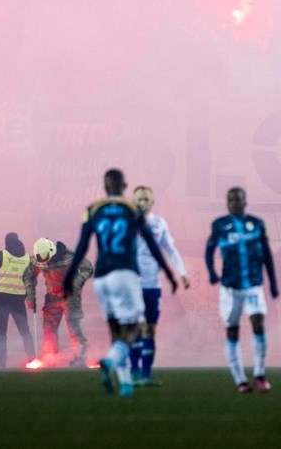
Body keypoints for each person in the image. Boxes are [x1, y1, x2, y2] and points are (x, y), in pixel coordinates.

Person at [64, 169, 176, 398]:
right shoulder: (133, 209)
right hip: (125, 274)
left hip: (102, 277)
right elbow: (153, 245)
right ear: (124, 185)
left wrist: (69, 276)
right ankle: (110, 361)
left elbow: (83, 245)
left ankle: (125, 385)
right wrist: (169, 273)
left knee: (116, 332)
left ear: (105, 186)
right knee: (135, 329)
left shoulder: (93, 209)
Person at [205, 187, 278, 393]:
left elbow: (267, 255)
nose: (234, 203)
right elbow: (209, 250)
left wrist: (273, 282)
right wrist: (211, 272)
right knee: (232, 330)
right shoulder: (219, 225)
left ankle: (260, 375)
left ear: (245, 202)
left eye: (238, 200)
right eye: (231, 200)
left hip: (253, 286)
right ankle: (240, 380)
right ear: (227, 203)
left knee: (258, 323)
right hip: (230, 288)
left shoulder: (257, 224)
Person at [130, 185, 190, 386]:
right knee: (136, 329)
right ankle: (134, 373)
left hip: (153, 286)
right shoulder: (127, 223)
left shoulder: (159, 223)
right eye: (139, 199)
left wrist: (182, 273)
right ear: (133, 201)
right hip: (132, 285)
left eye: (147, 199)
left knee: (150, 330)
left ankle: (145, 375)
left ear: (152, 202)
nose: (143, 203)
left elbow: (170, 249)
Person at [25, 238, 93, 367]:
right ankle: (50, 358)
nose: (45, 263)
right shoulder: (39, 258)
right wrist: (30, 296)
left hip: (71, 296)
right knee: (49, 329)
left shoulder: (70, 257)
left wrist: (76, 283)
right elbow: (28, 275)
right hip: (52, 296)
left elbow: (88, 269)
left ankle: (80, 358)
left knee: (75, 328)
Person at [0, 232, 34, 368]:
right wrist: (24, 295)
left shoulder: (1, 255)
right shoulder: (27, 259)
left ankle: (2, 362)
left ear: (6, 242)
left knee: (1, 332)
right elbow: (32, 281)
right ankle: (32, 358)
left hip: (0, 299)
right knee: (25, 330)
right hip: (18, 300)